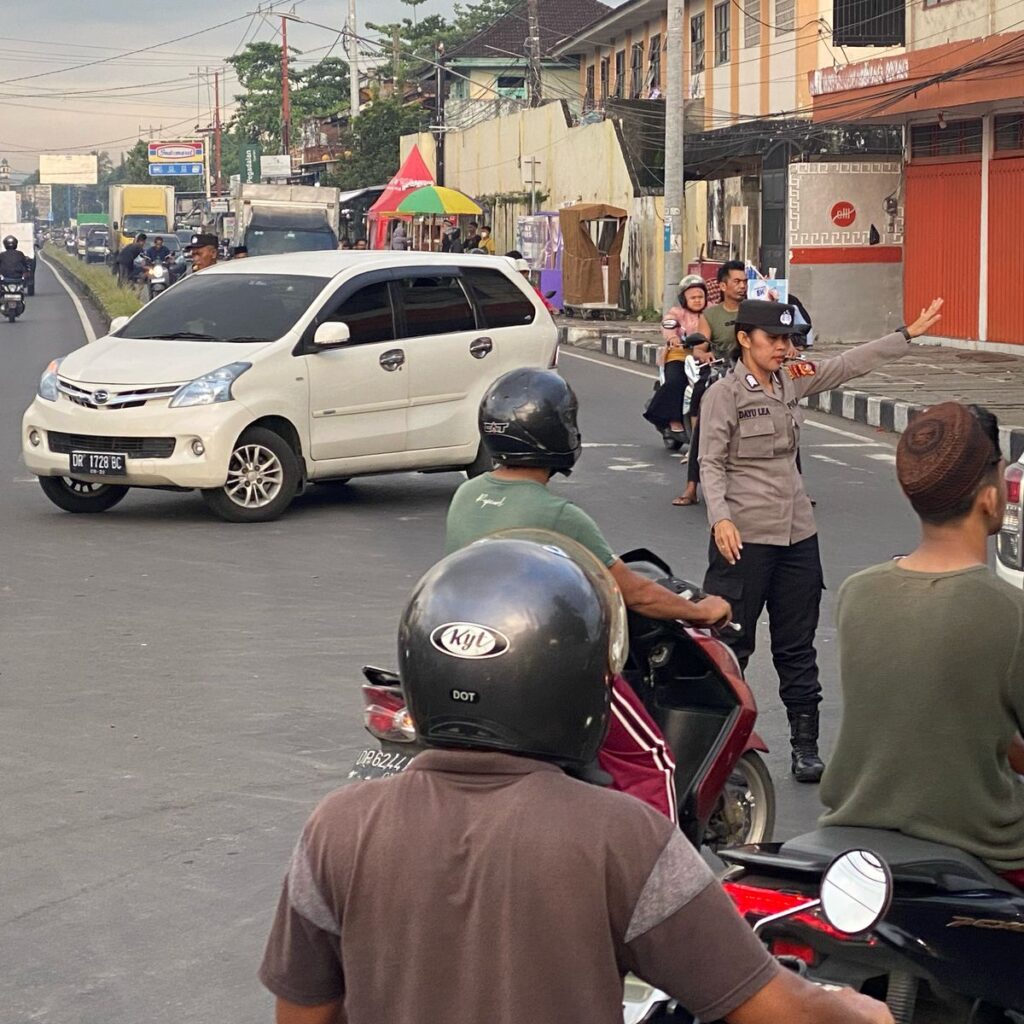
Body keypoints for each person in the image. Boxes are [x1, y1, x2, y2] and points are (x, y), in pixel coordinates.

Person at [259, 535, 895, 1024]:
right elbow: (770, 1007)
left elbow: (304, 1013)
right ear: (577, 686)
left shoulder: (337, 829)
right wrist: (856, 1009)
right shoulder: (622, 837)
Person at [445, 368, 731, 820]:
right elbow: (637, 592)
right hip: (542, 669)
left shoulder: (466, 495)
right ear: (554, 431)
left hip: (465, 663)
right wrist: (699, 610)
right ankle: (660, 878)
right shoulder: (559, 515)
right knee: (650, 761)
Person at [699, 297, 945, 783]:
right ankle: (722, 748)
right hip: (744, 538)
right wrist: (720, 519)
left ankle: (804, 747)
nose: (784, 349)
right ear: (746, 339)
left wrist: (906, 334)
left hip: (796, 536)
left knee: (797, 646)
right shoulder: (723, 396)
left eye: (789, 340)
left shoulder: (793, 377)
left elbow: (846, 365)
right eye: (774, 340)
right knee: (733, 645)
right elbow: (710, 462)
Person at [820, 402, 1024, 887]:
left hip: (854, 830)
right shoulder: (1007, 610)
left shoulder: (858, 593)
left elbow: (947, 715)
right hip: (982, 845)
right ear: (990, 497)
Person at [646, 274, 711, 454]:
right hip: (679, 354)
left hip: (706, 356)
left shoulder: (711, 311)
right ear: (684, 299)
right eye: (693, 297)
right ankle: (673, 419)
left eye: (700, 297)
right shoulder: (676, 313)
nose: (698, 301)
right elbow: (668, 327)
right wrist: (673, 337)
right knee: (676, 381)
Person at [700, 260, 748, 361]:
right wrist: (704, 355)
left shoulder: (754, 310)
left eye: (745, 281)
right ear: (723, 286)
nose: (743, 286)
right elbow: (699, 349)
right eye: (737, 281)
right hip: (723, 370)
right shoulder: (709, 315)